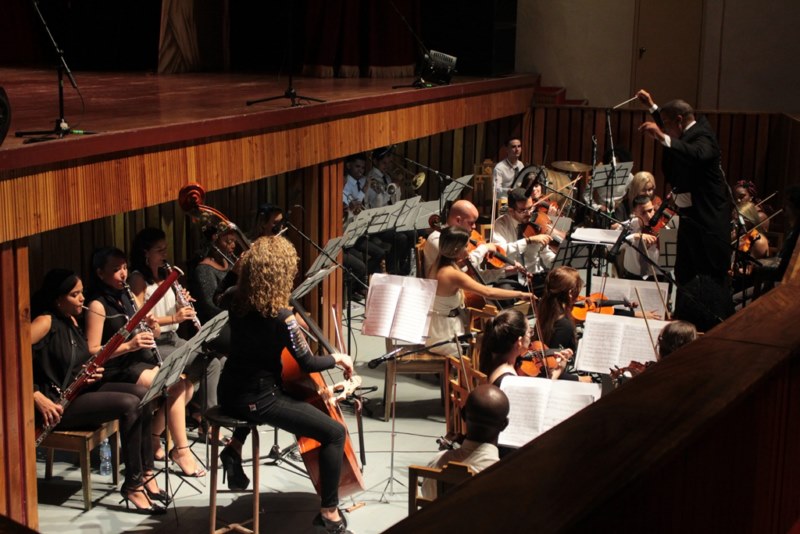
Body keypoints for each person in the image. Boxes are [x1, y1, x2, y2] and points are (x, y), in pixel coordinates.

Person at [216, 236, 355, 533]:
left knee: (276, 385)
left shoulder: (233, 297)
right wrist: (338, 358)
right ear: (281, 275)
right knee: (334, 433)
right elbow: (308, 364)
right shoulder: (282, 318)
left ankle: (233, 447)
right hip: (258, 399)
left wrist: (236, 272)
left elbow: (218, 296)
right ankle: (329, 514)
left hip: (228, 390)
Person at [31, 269, 166, 514]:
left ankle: (146, 473)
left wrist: (91, 373)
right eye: (75, 294)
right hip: (57, 405)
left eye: (82, 292)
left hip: (80, 392)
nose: (82, 299)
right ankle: (133, 485)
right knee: (129, 404)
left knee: (144, 394)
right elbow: (8, 358)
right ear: (58, 298)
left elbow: (73, 363)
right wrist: (33, 394)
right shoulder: (45, 321)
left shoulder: (72, 320)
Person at [84, 247, 204, 477]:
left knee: (187, 387)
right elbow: (91, 351)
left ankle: (153, 437)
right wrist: (129, 345)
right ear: (100, 273)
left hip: (136, 361)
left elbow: (155, 332)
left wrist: (153, 326)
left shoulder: (126, 296)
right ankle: (181, 450)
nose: (123, 274)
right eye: (116, 269)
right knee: (176, 386)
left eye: (125, 268)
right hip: (114, 369)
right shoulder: (98, 305)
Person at [637, 90, 733, 328]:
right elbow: (671, 128)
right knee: (685, 273)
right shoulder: (686, 129)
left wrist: (661, 137)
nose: (665, 129)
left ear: (679, 121)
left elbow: (696, 153)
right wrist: (652, 107)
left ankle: (711, 325)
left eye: (667, 124)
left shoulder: (704, 137)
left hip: (707, 225)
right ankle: (683, 322)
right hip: (691, 220)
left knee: (708, 278)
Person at [427, 226, 534, 355]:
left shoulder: (438, 264)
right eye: (466, 247)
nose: (468, 251)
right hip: (444, 336)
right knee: (496, 345)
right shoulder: (451, 274)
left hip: (437, 328)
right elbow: (488, 292)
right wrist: (521, 294)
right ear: (456, 250)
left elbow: (468, 265)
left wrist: (505, 270)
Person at [420, 384, 510, 499]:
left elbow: (427, 497)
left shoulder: (436, 463)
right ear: (504, 425)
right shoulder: (503, 477)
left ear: (463, 415)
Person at [422, 199, 515, 284]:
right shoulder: (438, 240)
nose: (474, 227)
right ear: (458, 220)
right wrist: (484, 248)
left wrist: (505, 272)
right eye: (471, 223)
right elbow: (459, 270)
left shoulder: (465, 238)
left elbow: (476, 277)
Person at [479, 308, 572, 385]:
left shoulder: (492, 357)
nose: (531, 336)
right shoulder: (511, 381)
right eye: (529, 332)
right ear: (519, 342)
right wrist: (560, 368)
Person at [491, 188, 556, 295]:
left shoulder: (537, 223)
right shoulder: (501, 224)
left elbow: (545, 253)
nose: (529, 213)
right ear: (511, 211)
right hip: (511, 277)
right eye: (523, 211)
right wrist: (528, 241)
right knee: (502, 294)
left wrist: (559, 261)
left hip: (534, 276)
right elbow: (500, 252)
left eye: (530, 208)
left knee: (560, 286)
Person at [620, 195, 661, 279]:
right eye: (643, 213)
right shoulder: (628, 226)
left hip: (657, 277)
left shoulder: (663, 227)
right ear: (635, 213)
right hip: (631, 276)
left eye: (650, 210)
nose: (649, 216)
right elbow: (611, 247)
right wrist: (635, 236)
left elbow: (670, 262)